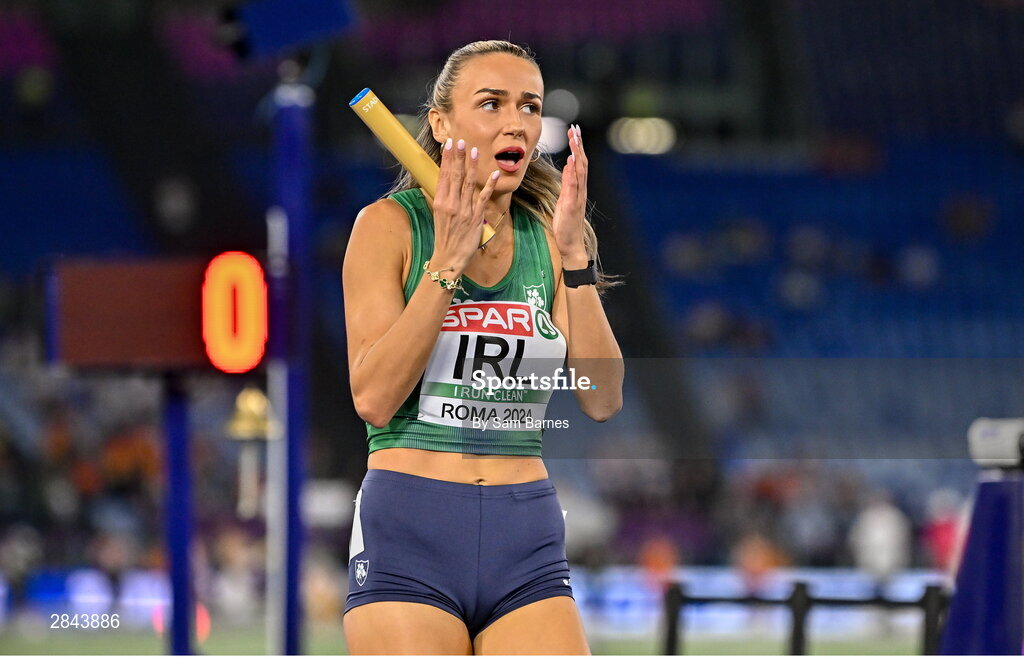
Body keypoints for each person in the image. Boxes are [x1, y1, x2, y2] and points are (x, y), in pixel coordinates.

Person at [341, 40, 624, 654]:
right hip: (411, 528)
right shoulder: (388, 228)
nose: (516, 121)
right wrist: (446, 265)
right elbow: (374, 397)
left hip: (525, 532)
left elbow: (602, 397)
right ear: (441, 124)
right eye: (491, 103)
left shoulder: (548, 240)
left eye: (529, 105)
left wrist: (577, 261)